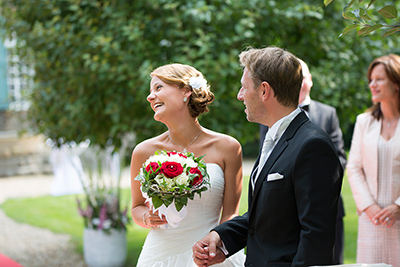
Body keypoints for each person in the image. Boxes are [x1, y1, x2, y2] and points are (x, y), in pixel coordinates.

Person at [192, 46, 343, 266]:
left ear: (264, 91)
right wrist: (221, 237)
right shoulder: (275, 137)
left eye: (244, 87)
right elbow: (269, 215)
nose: (239, 95)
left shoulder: (312, 145)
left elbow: (316, 237)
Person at [130, 63, 246, 266]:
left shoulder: (228, 147)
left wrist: (215, 244)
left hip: (209, 254)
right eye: (150, 91)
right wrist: (147, 218)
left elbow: (230, 213)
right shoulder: (143, 151)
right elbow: (136, 208)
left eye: (158, 88)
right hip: (160, 256)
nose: (150, 97)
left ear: (186, 92)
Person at [259, 58, 347, 264]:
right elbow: (269, 159)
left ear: (311, 80)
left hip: (325, 202)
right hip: (283, 210)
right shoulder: (270, 118)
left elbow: (339, 157)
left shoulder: (328, 113)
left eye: (303, 78)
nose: (300, 84)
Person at [347, 54, 400, 266]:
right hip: (372, 220)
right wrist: (369, 207)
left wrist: (398, 206)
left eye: (379, 79)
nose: (372, 84)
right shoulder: (363, 122)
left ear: (396, 82)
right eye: (371, 79)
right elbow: (354, 167)